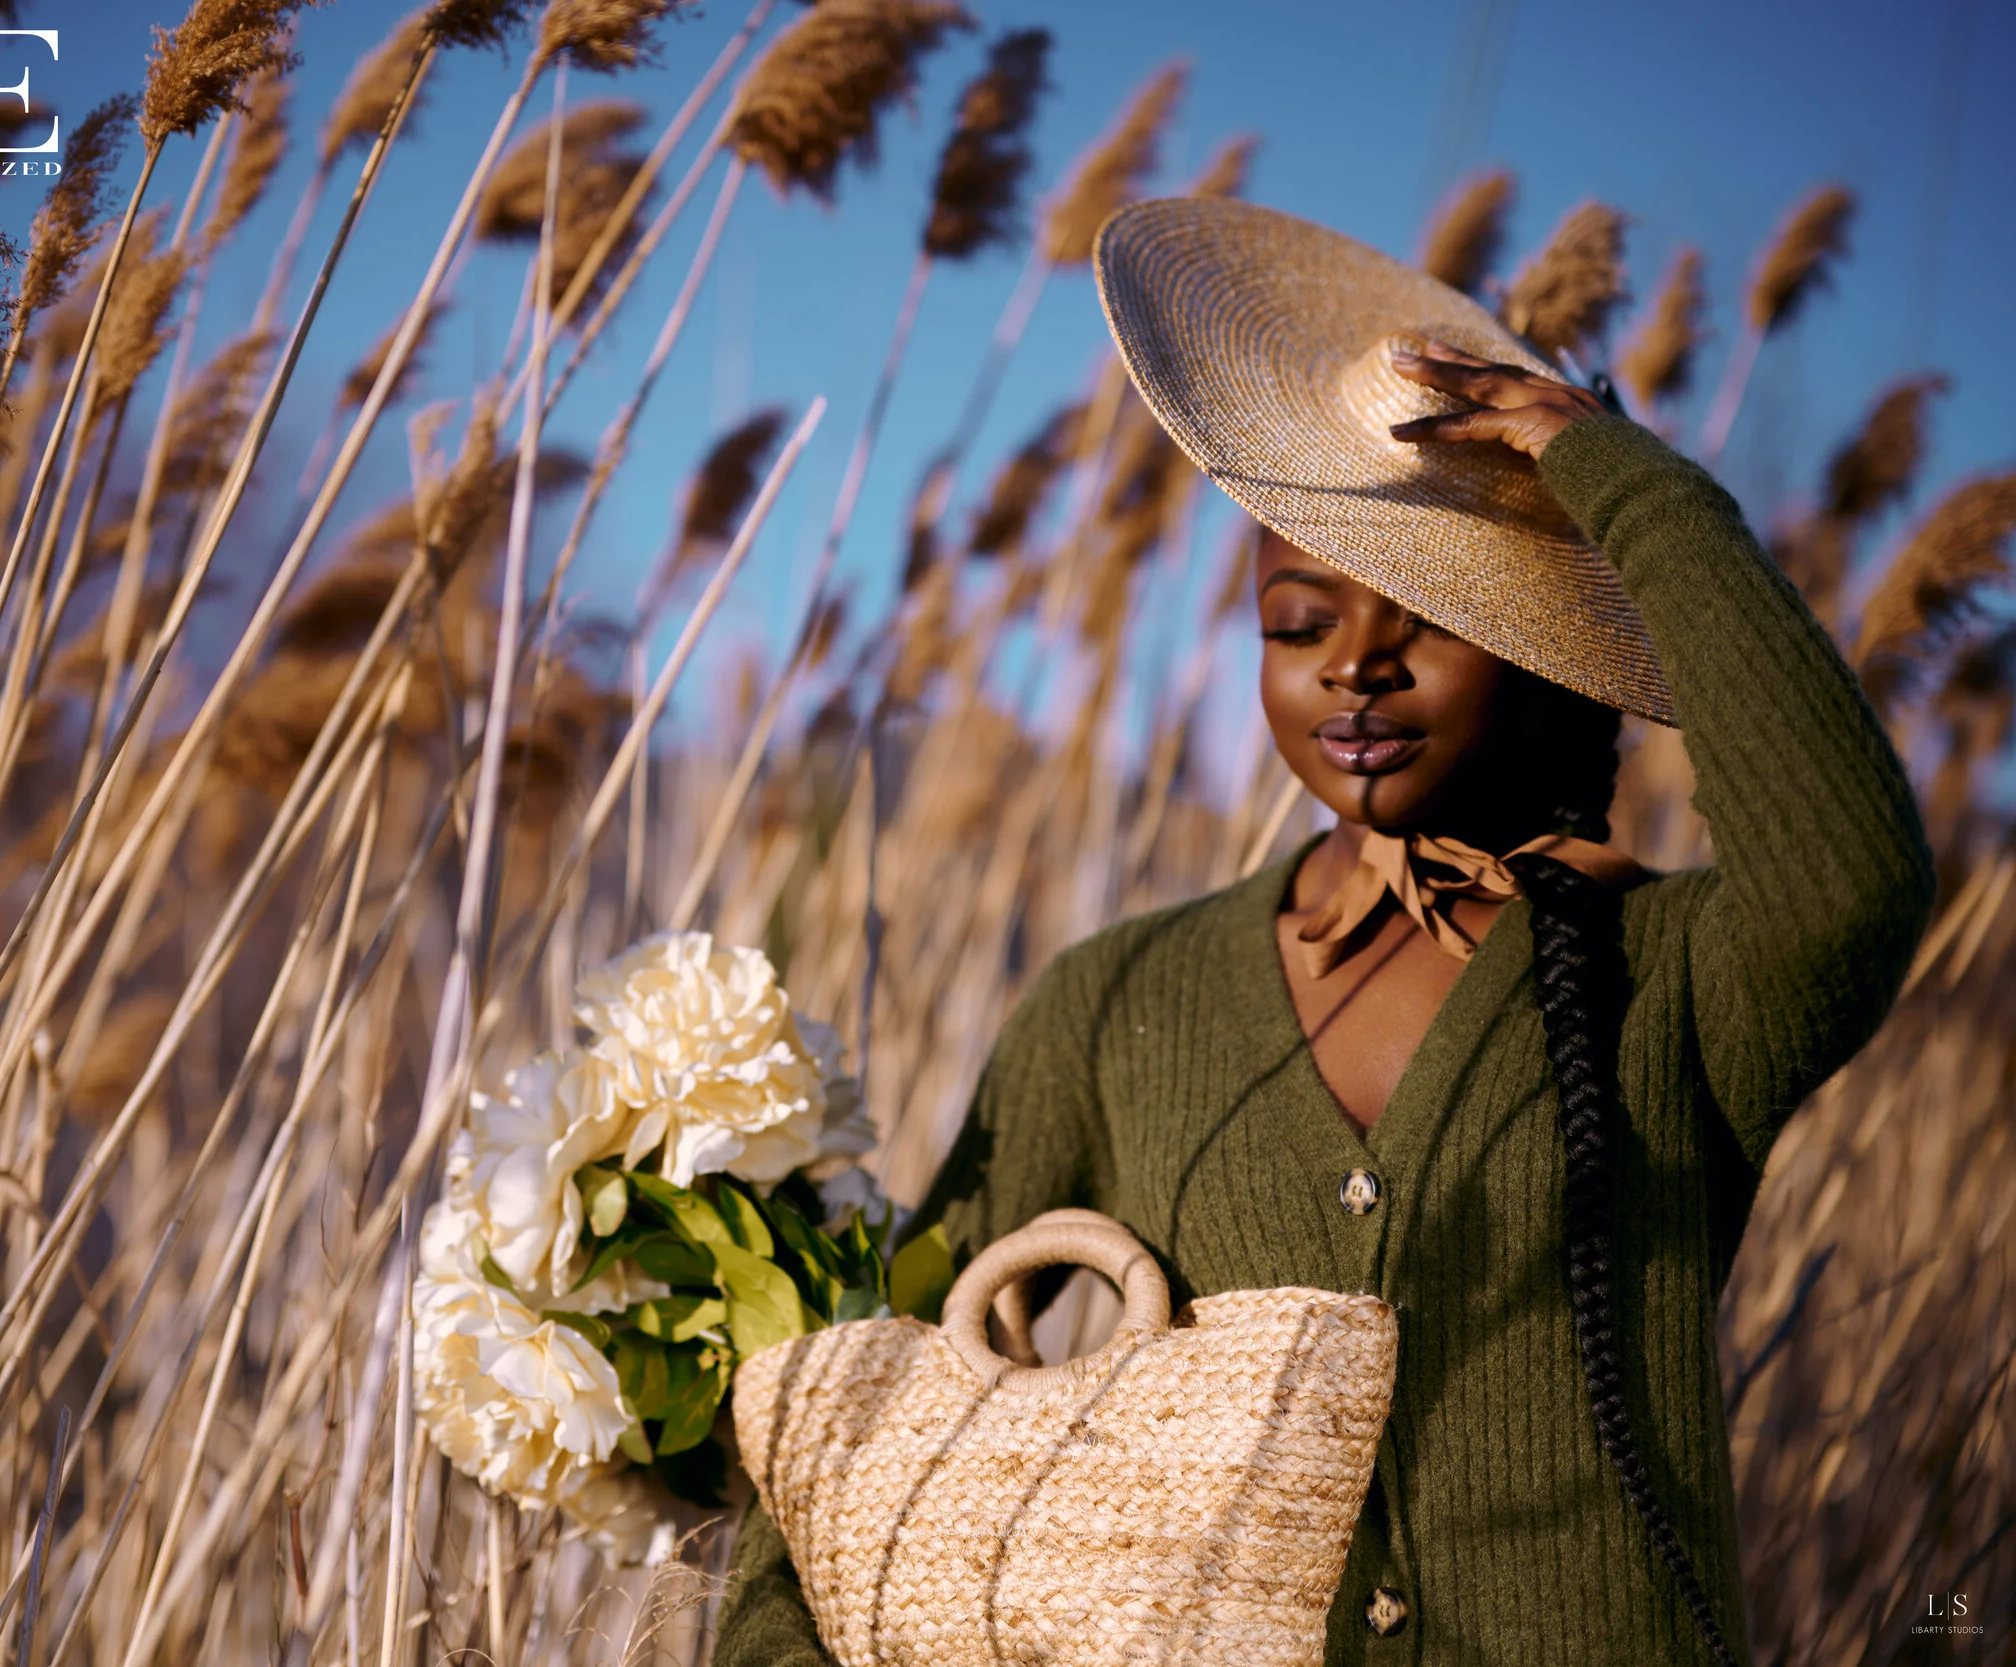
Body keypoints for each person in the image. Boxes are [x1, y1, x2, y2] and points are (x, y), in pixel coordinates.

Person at [713, 199, 1934, 1665]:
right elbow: (878, 1407)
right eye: (1296, 622)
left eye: (1428, 608)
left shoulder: (1666, 982)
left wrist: (1620, 481)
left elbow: (1854, 868)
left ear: (1546, 653)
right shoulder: (1121, 1001)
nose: (1354, 660)